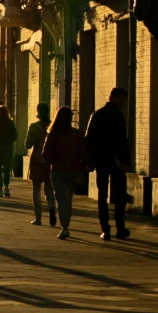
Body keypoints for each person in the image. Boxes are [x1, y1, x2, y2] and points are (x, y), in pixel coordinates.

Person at [85, 84, 132, 241]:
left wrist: (90, 161)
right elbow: (122, 141)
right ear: (115, 97)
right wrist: (125, 162)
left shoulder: (96, 115)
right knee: (119, 196)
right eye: (122, 100)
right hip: (116, 161)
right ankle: (120, 227)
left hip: (101, 161)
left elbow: (89, 139)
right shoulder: (117, 115)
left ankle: (105, 229)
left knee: (102, 196)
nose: (124, 103)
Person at [42, 105, 88, 240]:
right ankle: (66, 224)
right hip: (73, 170)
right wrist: (86, 164)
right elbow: (84, 152)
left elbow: (45, 153)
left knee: (60, 198)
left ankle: (64, 227)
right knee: (68, 199)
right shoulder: (77, 134)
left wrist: (52, 160)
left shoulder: (53, 134)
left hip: (57, 170)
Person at [22, 101, 51, 225]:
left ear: (38, 112)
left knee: (36, 188)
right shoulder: (52, 126)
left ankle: (38, 217)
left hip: (37, 160)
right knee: (49, 188)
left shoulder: (34, 127)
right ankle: (52, 210)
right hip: (50, 161)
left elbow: (27, 144)